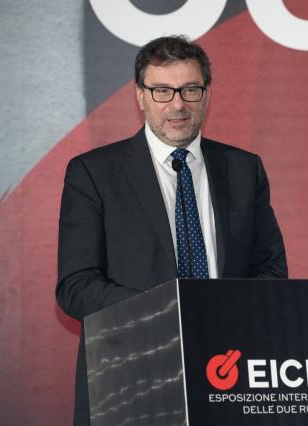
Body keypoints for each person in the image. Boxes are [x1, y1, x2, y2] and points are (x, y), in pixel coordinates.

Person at [56, 35, 287, 425]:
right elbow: (76, 287)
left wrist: (224, 315)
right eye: (162, 91)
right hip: (130, 382)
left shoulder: (245, 170)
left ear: (206, 95)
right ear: (140, 96)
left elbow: (271, 272)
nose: (177, 104)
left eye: (190, 90)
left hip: (228, 376)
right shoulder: (93, 173)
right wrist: (168, 314)